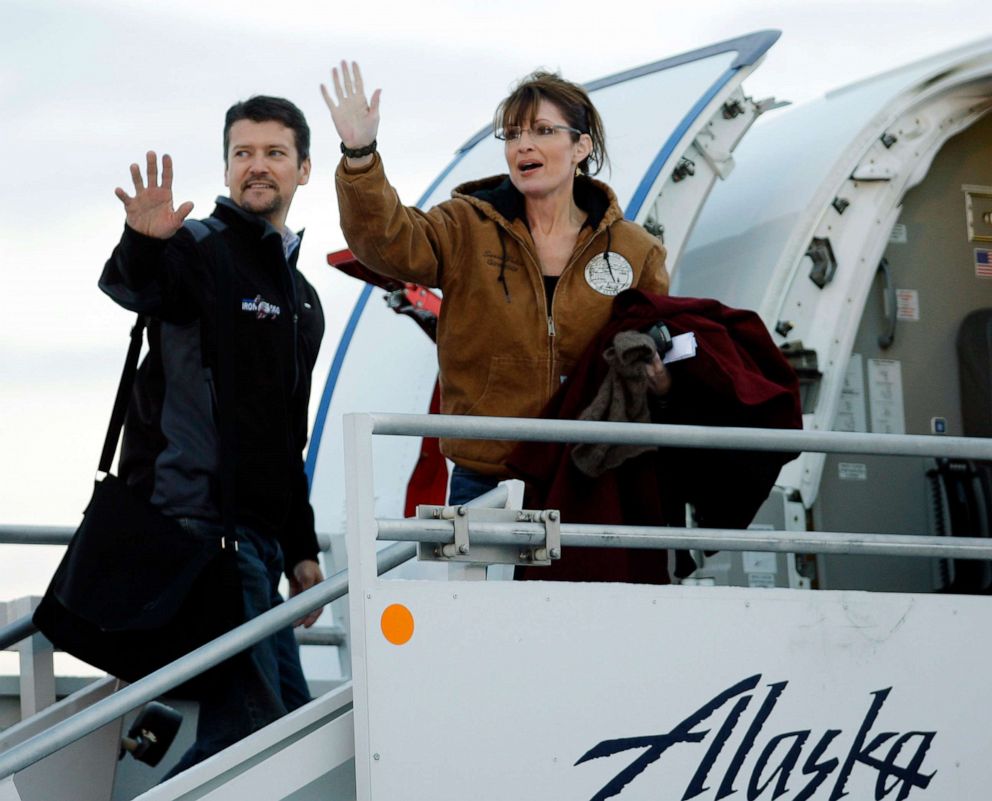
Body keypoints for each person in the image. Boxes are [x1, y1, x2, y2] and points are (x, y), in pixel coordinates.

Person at [98, 95, 325, 776]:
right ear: (226, 166)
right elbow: (138, 286)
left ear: (304, 168)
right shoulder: (196, 246)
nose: (257, 166)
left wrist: (303, 549)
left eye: (274, 153)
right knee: (256, 736)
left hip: (255, 545)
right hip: (195, 529)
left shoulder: (302, 297)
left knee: (293, 722)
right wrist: (143, 240)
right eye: (243, 153)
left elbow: (287, 435)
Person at [324, 62, 671, 505]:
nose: (523, 144)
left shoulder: (635, 249)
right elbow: (388, 244)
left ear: (580, 146)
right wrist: (360, 156)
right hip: (485, 478)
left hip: (593, 474)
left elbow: (664, 352)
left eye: (543, 130)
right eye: (511, 134)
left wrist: (662, 383)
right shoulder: (465, 225)